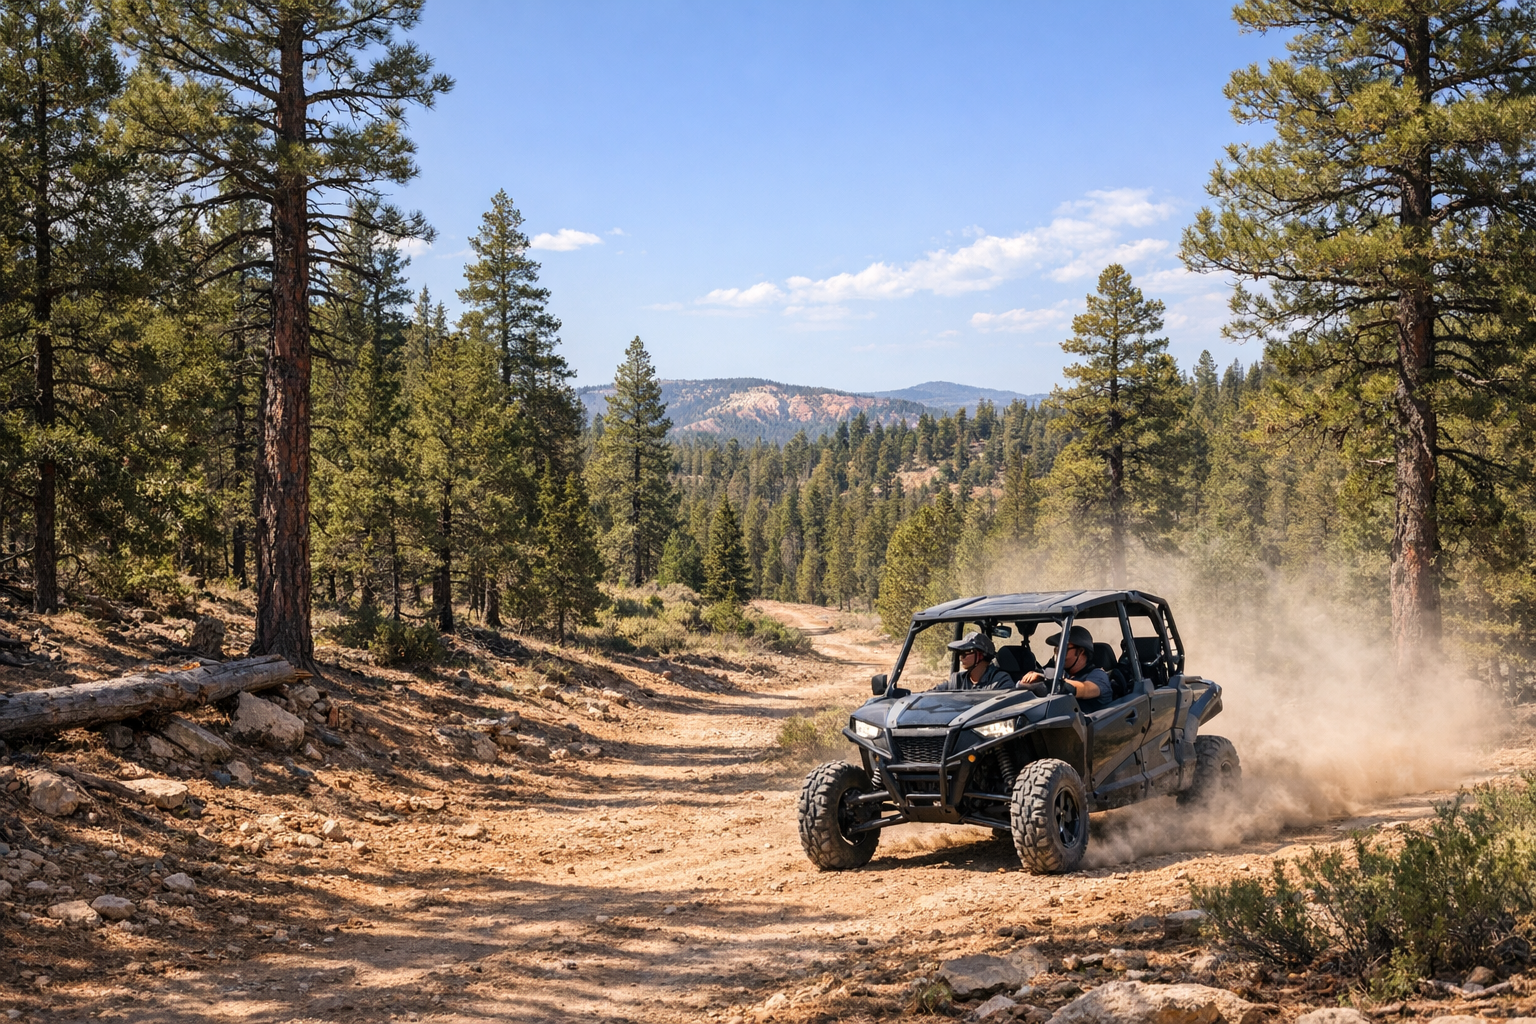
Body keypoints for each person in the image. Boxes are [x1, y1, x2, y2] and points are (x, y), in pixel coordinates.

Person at [1021, 625, 1111, 711]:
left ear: (1081, 651)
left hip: (1088, 725)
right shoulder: (1064, 674)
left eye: (1064, 650)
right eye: (1056, 650)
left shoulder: (1098, 676)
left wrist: (1048, 682)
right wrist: (1035, 679)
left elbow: (1085, 689)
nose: (1058, 655)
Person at [934, 631, 1015, 691]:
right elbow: (931, 695)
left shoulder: (1000, 680)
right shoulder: (957, 680)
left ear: (981, 655)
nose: (961, 657)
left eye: (967, 652)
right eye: (960, 653)